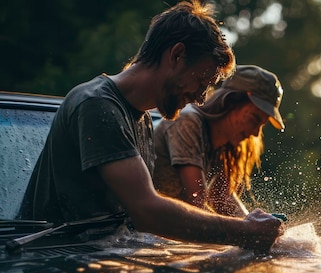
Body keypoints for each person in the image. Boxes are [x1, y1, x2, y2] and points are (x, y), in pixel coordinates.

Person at [18, 0, 283, 251]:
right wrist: (246, 232)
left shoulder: (142, 119)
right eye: (201, 82)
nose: (201, 97)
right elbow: (146, 211)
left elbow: (128, 226)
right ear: (177, 55)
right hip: (52, 263)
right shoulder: (97, 104)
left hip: (105, 261)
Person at [152, 64, 285, 218]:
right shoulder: (187, 121)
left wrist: (256, 225)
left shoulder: (223, 143)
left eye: (261, 126)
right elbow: (196, 204)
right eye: (254, 119)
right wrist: (250, 230)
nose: (255, 133)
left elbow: (223, 199)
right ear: (231, 101)